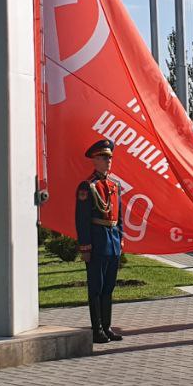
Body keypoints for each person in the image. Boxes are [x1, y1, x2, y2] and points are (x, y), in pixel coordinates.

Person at [75, 138, 125, 344]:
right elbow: (82, 220)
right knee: (96, 287)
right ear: (94, 160)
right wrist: (85, 246)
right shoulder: (88, 186)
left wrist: (120, 240)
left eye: (109, 158)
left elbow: (119, 217)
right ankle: (97, 330)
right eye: (103, 157)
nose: (107, 161)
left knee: (109, 287)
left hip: (112, 242)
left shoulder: (115, 185)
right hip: (96, 242)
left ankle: (107, 326)